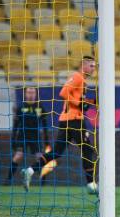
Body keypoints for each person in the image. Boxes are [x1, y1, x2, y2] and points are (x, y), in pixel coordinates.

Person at [22, 56, 98, 193]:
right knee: (87, 150)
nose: (94, 69)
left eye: (94, 66)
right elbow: (63, 92)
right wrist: (80, 104)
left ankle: (30, 170)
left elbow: (77, 100)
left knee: (56, 152)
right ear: (83, 65)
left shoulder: (81, 81)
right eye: (91, 66)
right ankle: (91, 184)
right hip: (74, 120)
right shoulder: (78, 77)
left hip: (66, 120)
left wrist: (92, 102)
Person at [6, 87, 50, 184]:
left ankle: (43, 181)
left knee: (40, 158)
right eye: (29, 92)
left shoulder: (40, 107)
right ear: (25, 94)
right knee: (18, 156)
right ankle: (8, 180)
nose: (31, 94)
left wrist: (46, 141)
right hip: (23, 136)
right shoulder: (20, 107)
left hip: (36, 137)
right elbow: (15, 125)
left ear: (36, 94)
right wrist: (13, 139)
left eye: (33, 92)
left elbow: (45, 125)